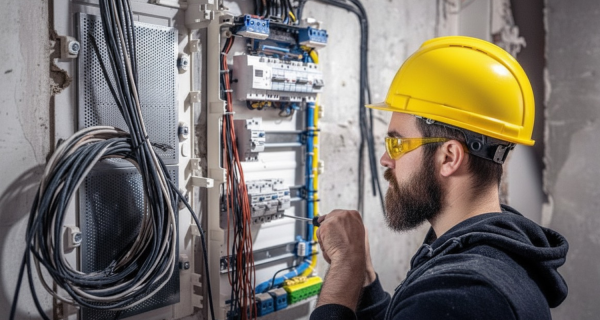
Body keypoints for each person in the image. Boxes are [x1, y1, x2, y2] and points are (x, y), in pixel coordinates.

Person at [310, 36, 568, 320]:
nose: (385, 159)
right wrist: (364, 275)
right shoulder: (492, 253)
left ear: (448, 157)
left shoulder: (462, 295)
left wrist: (345, 269)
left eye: (397, 144)